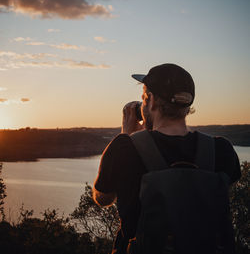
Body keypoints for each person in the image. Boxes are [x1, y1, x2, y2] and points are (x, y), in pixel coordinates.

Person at [93, 63, 241, 254]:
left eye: (143, 98)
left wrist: (128, 137)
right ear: (187, 108)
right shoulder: (220, 149)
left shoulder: (125, 148)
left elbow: (103, 198)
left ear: (151, 101)